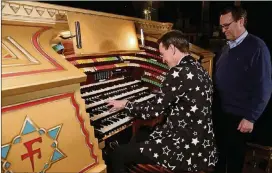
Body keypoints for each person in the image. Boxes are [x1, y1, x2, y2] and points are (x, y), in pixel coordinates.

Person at [106, 30, 218, 173]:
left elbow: (153, 111)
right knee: (142, 134)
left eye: (162, 54)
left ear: (172, 48)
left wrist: (125, 104)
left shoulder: (177, 72)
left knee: (117, 155)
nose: (163, 60)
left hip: (182, 149)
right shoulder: (200, 69)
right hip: (203, 145)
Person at [213, 6, 272, 173]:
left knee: (233, 163)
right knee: (219, 159)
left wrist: (251, 117)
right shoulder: (226, 47)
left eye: (227, 25)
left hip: (240, 119)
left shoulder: (257, 47)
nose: (223, 30)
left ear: (241, 21)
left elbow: (264, 87)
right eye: (222, 26)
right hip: (222, 113)